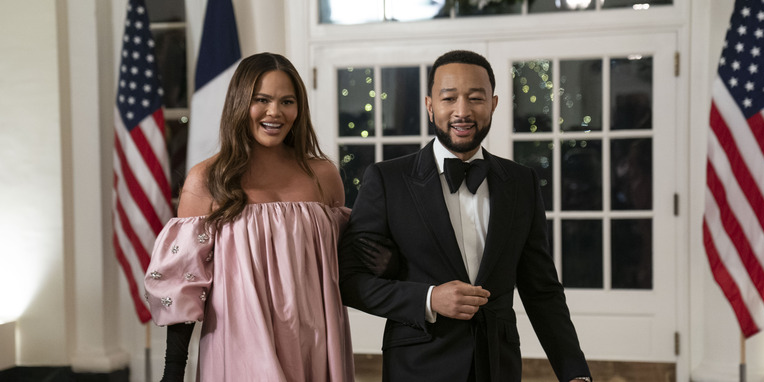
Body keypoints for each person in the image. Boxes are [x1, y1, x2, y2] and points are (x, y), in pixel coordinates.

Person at [339, 50, 592, 382]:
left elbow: (541, 289)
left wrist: (575, 372)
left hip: (498, 367)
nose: (463, 111)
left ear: (494, 104)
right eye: (449, 98)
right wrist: (429, 298)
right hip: (418, 367)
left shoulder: (521, 183)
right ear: (430, 105)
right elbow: (350, 281)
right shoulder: (387, 181)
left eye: (476, 98)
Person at [144, 52, 355, 381]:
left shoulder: (322, 175)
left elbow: (343, 263)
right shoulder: (207, 179)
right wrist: (173, 370)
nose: (275, 112)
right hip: (239, 346)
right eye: (262, 100)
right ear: (240, 102)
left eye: (287, 101)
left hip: (315, 346)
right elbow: (183, 280)